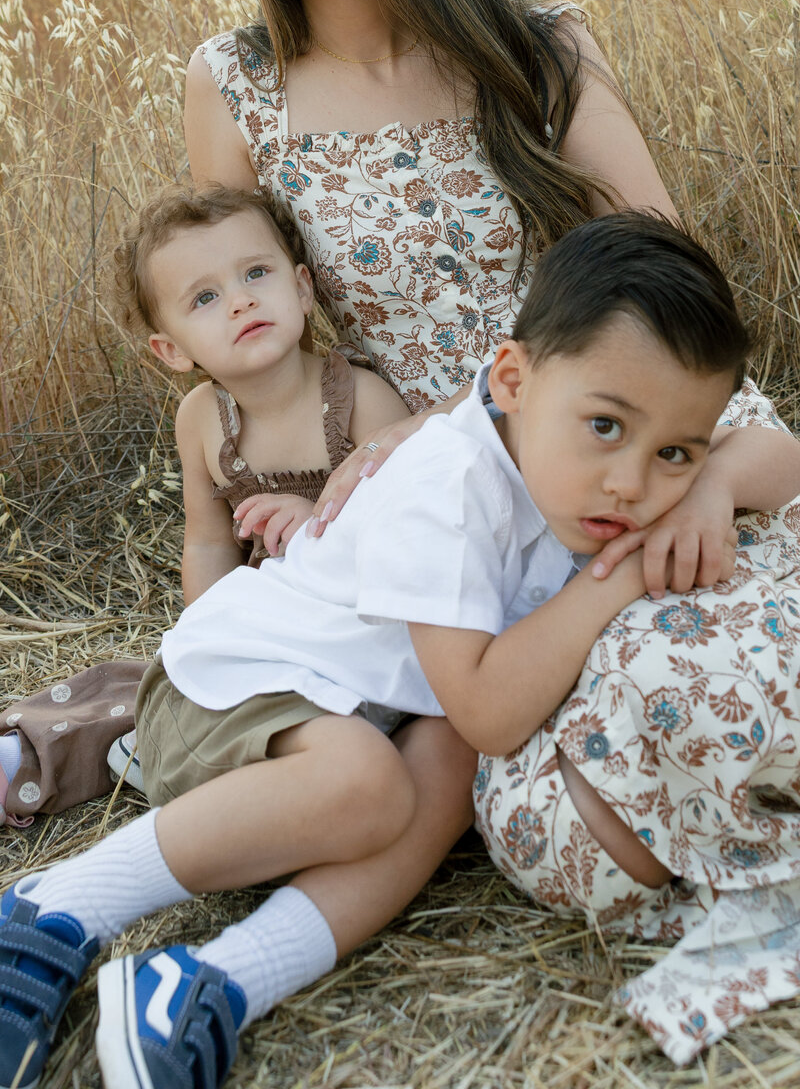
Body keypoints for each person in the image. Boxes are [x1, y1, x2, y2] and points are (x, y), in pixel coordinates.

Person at [0, 211, 768, 1089]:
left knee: (444, 759)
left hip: (358, 707)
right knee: (385, 773)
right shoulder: (448, 486)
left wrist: (714, 486)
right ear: (510, 380)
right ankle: (52, 910)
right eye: (605, 426)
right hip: (230, 686)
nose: (632, 485)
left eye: (673, 450)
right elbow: (492, 709)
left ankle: (213, 983)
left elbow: (782, 460)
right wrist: (619, 579)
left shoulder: (596, 480)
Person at [0, 182, 409, 814]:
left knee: (340, 695)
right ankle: (85, 749)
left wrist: (319, 520)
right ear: (174, 351)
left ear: (301, 287)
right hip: (268, 619)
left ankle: (277, 764)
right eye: (207, 297)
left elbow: (403, 524)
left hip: (353, 614)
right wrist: (212, 634)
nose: (241, 300)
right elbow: (210, 541)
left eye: (256, 273)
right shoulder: (201, 420)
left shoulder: (355, 396)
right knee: (171, 680)